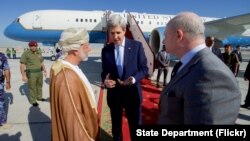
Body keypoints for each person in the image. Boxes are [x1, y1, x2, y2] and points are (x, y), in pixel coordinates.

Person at [157, 12, 241, 124]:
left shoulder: (212, 75)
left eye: (165, 36)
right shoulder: (184, 64)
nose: (163, 41)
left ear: (179, 36)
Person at [101, 14, 148, 140]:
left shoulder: (136, 46)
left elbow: (144, 69)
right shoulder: (106, 50)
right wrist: (105, 81)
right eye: (112, 33)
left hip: (132, 94)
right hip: (114, 95)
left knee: (135, 126)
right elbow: (104, 72)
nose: (115, 37)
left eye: (118, 32)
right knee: (116, 128)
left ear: (124, 30)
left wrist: (133, 79)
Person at [50, 27, 99, 141]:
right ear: (76, 49)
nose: (90, 49)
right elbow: (74, 123)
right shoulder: (67, 77)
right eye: (86, 46)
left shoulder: (68, 68)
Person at [20, 41, 47, 107]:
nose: (33, 47)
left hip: (39, 72)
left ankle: (39, 97)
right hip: (31, 73)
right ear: (29, 46)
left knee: (39, 85)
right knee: (32, 87)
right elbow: (22, 65)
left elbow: (41, 62)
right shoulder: (26, 53)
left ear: (36, 46)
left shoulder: (39, 52)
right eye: (32, 46)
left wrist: (44, 70)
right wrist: (23, 75)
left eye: (35, 46)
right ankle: (33, 100)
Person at [0, 52, 11, 129]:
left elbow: (6, 69)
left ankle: (2, 121)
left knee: (1, 103)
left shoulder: (2, 56)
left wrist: (8, 82)